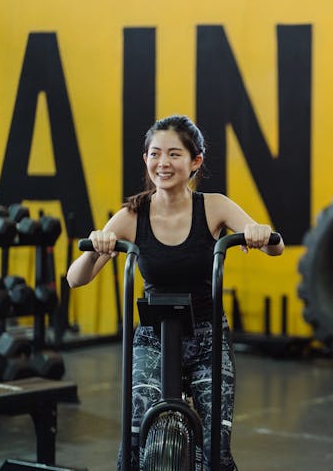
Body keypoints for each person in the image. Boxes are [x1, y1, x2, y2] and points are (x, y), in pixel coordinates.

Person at [67, 114, 284, 470]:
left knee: (217, 447)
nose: (162, 163)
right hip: (153, 337)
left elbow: (275, 247)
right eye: (154, 154)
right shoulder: (130, 216)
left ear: (195, 161)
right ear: (146, 160)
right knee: (135, 438)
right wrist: (96, 245)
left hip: (207, 337)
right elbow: (75, 279)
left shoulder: (214, 206)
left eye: (174, 154)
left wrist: (260, 233)